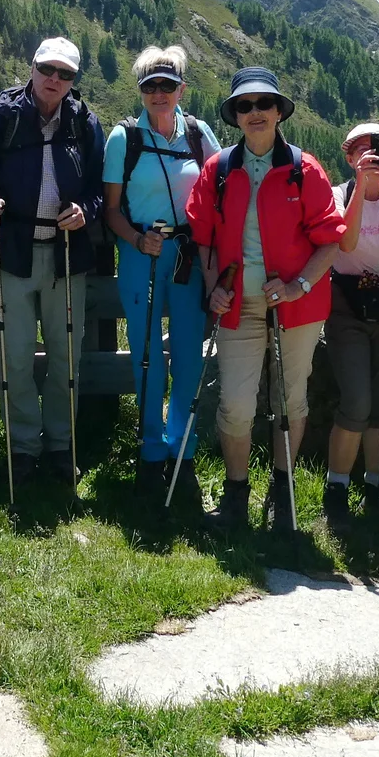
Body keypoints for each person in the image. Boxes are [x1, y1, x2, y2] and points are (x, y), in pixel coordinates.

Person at [183, 67, 344, 531]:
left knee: (291, 403)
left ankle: (283, 492)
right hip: (238, 304)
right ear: (235, 115)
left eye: (263, 104)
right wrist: (215, 285)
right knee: (235, 405)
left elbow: (330, 240)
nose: (254, 113)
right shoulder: (219, 170)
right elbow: (205, 237)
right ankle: (236, 495)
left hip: (294, 306)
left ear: (278, 112)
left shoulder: (303, 168)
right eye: (244, 106)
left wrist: (299, 286)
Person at [0, 38, 104, 489]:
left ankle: (61, 447)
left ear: (73, 81)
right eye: (48, 70)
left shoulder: (84, 122)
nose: (54, 80)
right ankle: (23, 448)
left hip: (66, 255)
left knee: (67, 359)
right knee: (15, 357)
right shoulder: (1, 118)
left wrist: (87, 210)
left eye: (65, 75)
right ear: (33, 68)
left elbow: (101, 188)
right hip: (13, 253)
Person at [101, 46, 222, 502]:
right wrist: (135, 239)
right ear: (140, 91)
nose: (158, 93)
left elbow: (220, 184)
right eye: (150, 86)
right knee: (147, 355)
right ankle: (151, 453)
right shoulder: (123, 138)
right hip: (141, 252)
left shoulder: (198, 133)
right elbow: (111, 211)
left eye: (166, 86)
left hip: (188, 254)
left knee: (189, 355)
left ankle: (182, 452)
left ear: (181, 90)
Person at [321, 121, 379, 528]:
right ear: (347, 154)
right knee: (356, 400)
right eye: (360, 148)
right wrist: (361, 186)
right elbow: (347, 242)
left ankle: (377, 487)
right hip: (347, 304)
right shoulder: (338, 194)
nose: (370, 155)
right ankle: (336, 487)